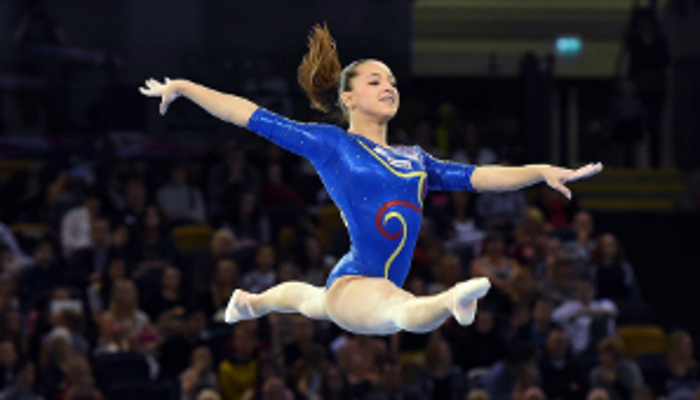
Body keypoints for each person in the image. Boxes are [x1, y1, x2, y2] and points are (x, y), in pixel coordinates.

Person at [140, 23, 603, 335]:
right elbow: (249, 115)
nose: (389, 87)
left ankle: (249, 302)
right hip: (360, 283)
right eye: (376, 81)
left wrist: (540, 170)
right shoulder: (331, 143)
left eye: (394, 82)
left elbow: (481, 176)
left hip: (354, 281)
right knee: (396, 309)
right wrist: (184, 88)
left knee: (314, 300)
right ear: (348, 97)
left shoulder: (417, 159)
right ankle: (451, 301)